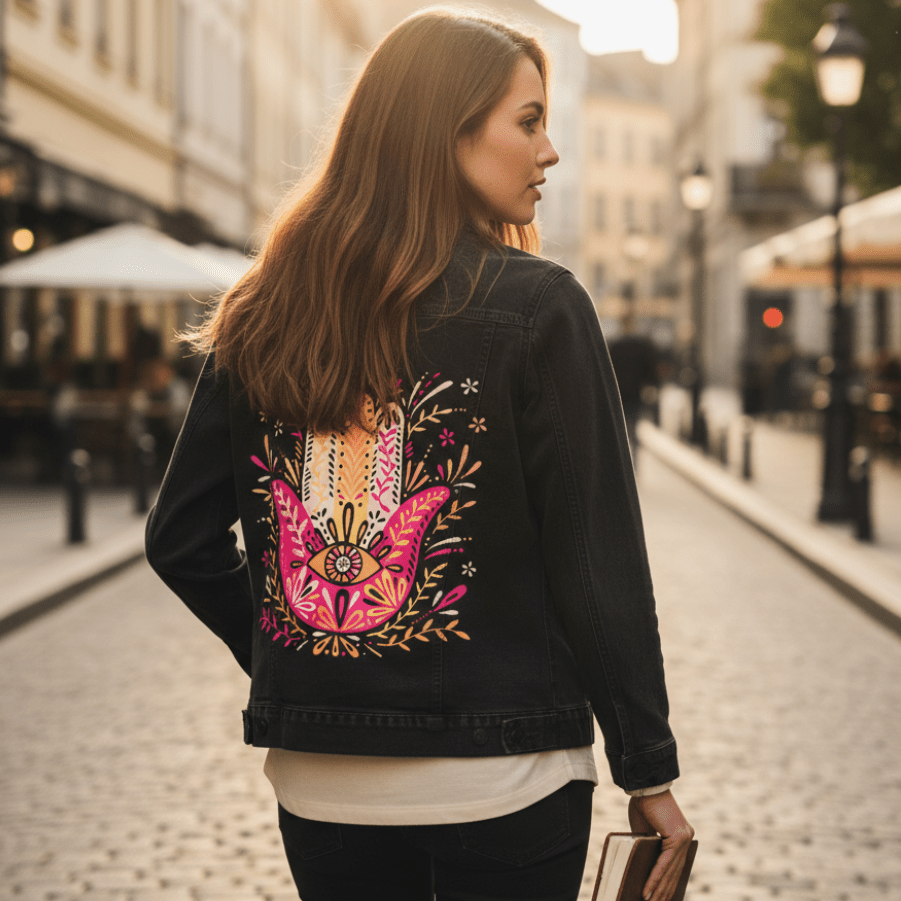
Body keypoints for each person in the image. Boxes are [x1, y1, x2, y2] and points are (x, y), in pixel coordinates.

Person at [145, 8, 693, 901]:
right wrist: (649, 769)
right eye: (527, 120)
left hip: (322, 784)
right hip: (505, 777)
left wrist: (309, 654)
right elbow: (597, 565)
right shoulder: (539, 305)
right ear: (448, 131)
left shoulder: (264, 304)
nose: (549, 150)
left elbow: (179, 539)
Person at [607, 314, 661, 462]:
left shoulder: (615, 346)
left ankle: (626, 460)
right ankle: (633, 461)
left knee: (623, 428)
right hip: (634, 393)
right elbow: (651, 370)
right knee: (632, 426)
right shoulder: (641, 345)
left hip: (620, 394)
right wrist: (653, 387)